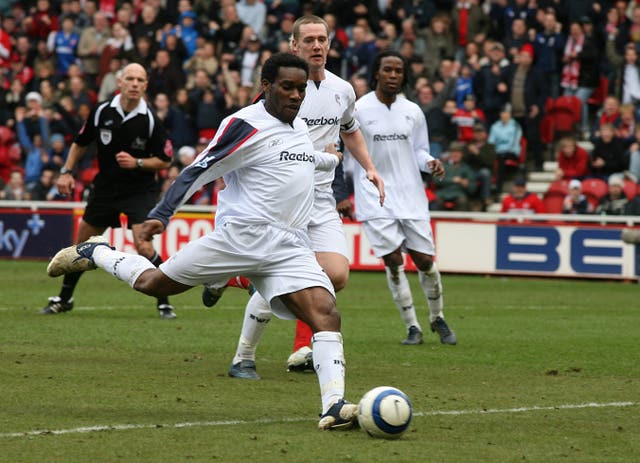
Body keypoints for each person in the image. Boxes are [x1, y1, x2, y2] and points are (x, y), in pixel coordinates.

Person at [47, 52, 358, 431]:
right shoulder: (245, 124)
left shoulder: (299, 128)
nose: (295, 95)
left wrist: (329, 160)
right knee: (154, 284)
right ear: (266, 86)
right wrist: (161, 215)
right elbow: (199, 168)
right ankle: (96, 251)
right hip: (239, 239)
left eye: (301, 89)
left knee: (326, 313)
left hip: (288, 246)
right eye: (287, 87)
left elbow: (298, 159)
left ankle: (334, 407)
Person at [207, 15, 384, 379]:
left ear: (330, 45)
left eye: (322, 40)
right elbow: (246, 135)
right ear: (293, 46)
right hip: (283, 198)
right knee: (285, 275)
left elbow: (350, 131)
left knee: (335, 275)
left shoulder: (343, 90)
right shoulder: (280, 92)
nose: (316, 46)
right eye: (309, 41)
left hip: (320, 198)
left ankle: (238, 279)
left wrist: (369, 167)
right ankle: (245, 356)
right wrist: (228, 178)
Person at [41, 63, 176, 319]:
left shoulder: (150, 120)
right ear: (120, 83)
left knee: (144, 246)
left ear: (146, 85)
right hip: (105, 188)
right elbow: (80, 143)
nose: (135, 84)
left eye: (140, 80)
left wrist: (137, 163)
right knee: (81, 245)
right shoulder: (102, 111)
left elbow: (165, 161)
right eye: (130, 79)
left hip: (139, 189)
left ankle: (164, 301)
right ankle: (64, 298)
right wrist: (66, 172)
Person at [353, 50, 457, 346]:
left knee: (424, 260)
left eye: (398, 71)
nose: (393, 75)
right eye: (388, 69)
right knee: (392, 259)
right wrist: (343, 192)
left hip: (411, 194)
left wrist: (430, 163)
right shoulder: (359, 109)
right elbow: (349, 152)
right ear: (376, 73)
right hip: (374, 193)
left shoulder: (412, 110)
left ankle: (437, 317)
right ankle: (412, 326)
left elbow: (420, 150)